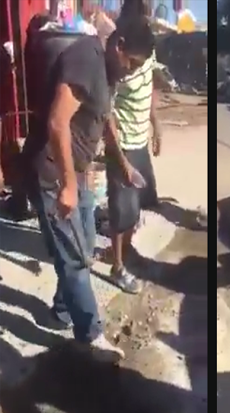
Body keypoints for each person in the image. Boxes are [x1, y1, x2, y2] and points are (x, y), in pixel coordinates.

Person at [21, 16, 156, 363]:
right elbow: (57, 121)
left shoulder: (109, 72)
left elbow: (105, 118)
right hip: (52, 172)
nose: (131, 71)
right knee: (76, 258)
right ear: (119, 44)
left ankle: (62, 311)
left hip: (76, 172)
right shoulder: (86, 59)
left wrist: (122, 165)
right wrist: (67, 183)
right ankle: (90, 335)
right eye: (132, 62)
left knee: (79, 250)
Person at [102, 0, 161, 294]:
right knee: (121, 210)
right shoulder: (115, 58)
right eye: (146, 5)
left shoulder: (147, 44)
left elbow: (151, 85)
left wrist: (156, 124)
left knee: (138, 208)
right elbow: (106, 115)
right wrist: (121, 161)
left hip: (140, 141)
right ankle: (118, 267)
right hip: (122, 145)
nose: (151, 10)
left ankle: (128, 253)